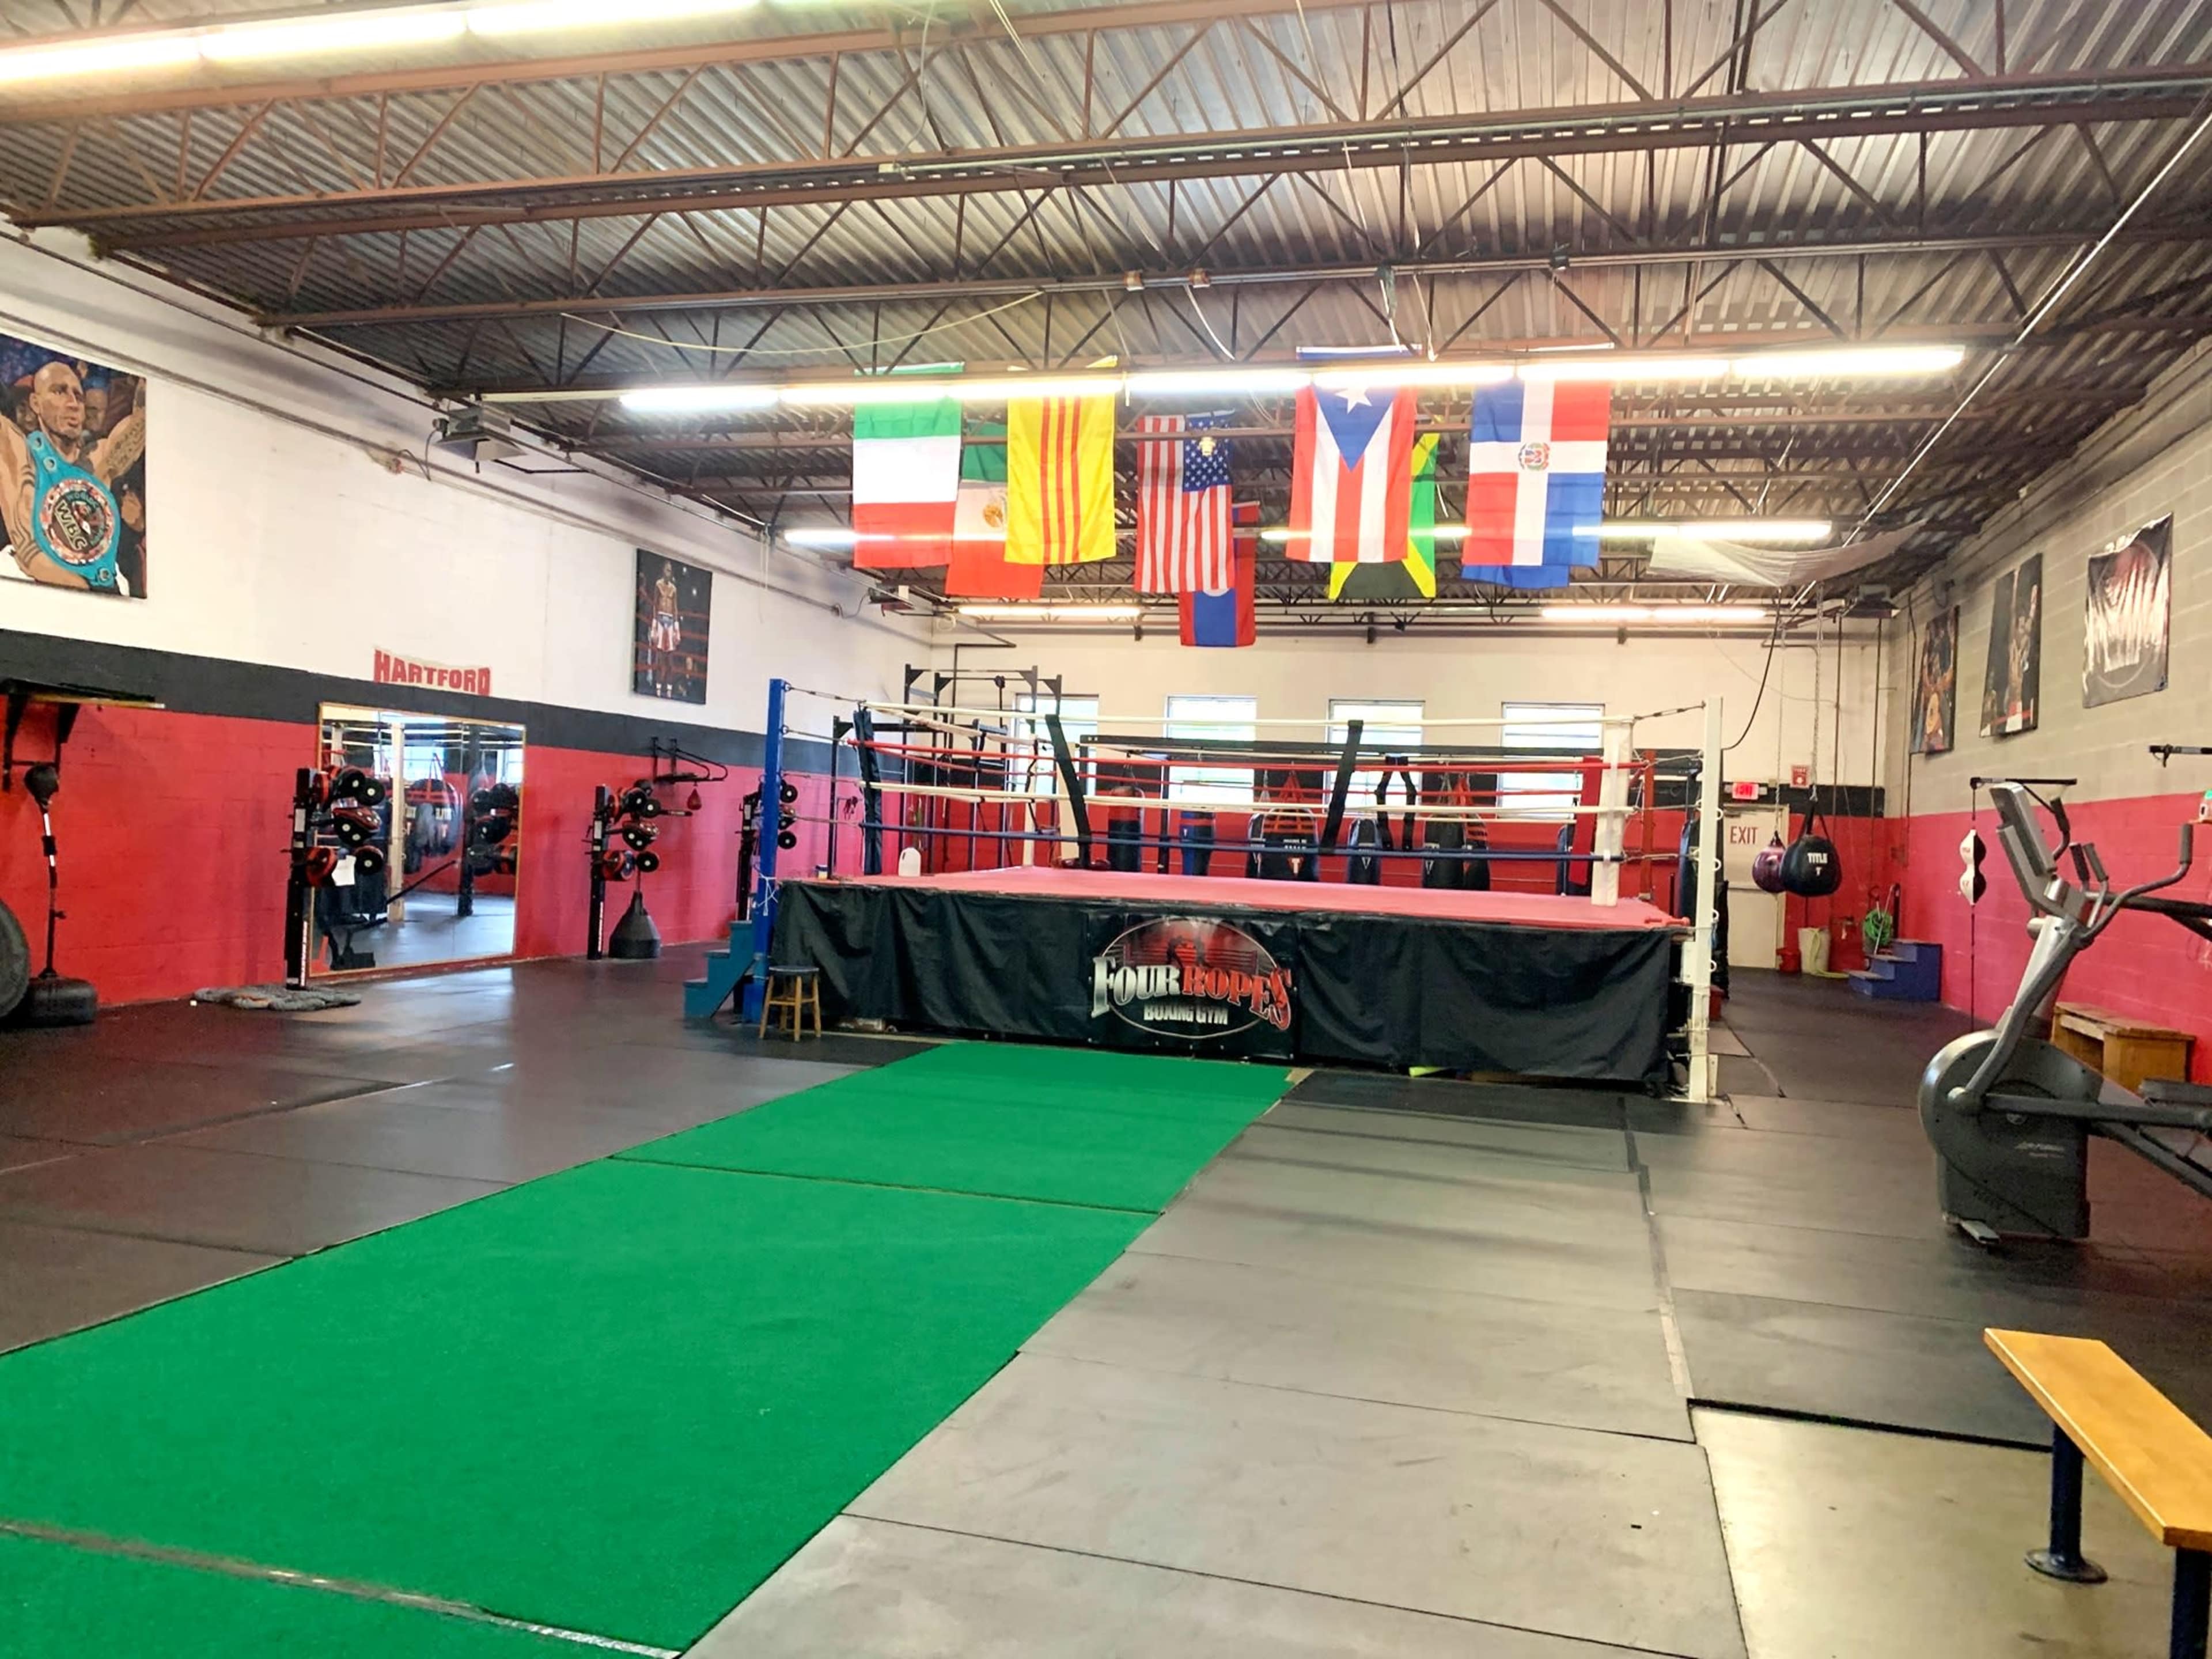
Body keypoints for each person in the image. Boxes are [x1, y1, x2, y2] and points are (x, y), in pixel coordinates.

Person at [1, 359, 146, 595]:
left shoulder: (98, 460)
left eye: (79, 396)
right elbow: (33, 557)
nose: (73, 403)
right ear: (35, 403)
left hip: (106, 597)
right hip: (45, 604)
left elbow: (141, 419)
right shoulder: (20, 454)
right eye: (60, 392)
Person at [647, 560, 683, 696]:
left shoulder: (674, 589)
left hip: (670, 622)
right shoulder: (658, 585)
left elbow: (675, 609)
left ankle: (669, 689)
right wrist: (654, 626)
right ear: (663, 571)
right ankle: (658, 688)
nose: (669, 573)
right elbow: (655, 605)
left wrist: (676, 630)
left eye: (670, 570)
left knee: (670, 660)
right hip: (661, 621)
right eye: (667, 570)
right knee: (660, 659)